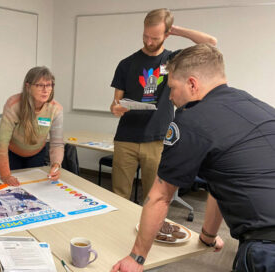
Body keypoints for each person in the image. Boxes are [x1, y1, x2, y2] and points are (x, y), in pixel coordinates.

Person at [111, 44, 275, 272]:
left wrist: (136, 259)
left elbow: (160, 197)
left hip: (267, 246)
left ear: (192, 84)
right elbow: (221, 183)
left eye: (172, 88)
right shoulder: (259, 107)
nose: (170, 96)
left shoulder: (192, 121)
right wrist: (208, 236)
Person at [109, 8, 217, 202]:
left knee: (153, 197)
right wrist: (116, 108)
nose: (149, 42)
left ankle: (145, 232)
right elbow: (115, 104)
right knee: (119, 195)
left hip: (158, 140)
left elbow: (211, 43)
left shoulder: (173, 60)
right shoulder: (126, 64)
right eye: (145, 36)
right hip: (126, 139)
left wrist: (178, 30)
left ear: (167, 34)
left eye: (155, 38)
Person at [0, 66, 64, 186]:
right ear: (28, 86)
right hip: (13, 155)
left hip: (37, 153)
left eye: (49, 85)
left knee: (33, 187)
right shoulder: (14, 104)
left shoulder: (55, 109)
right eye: (40, 85)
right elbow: (1, 145)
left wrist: (56, 165)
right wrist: (6, 175)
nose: (46, 90)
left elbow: (57, 143)